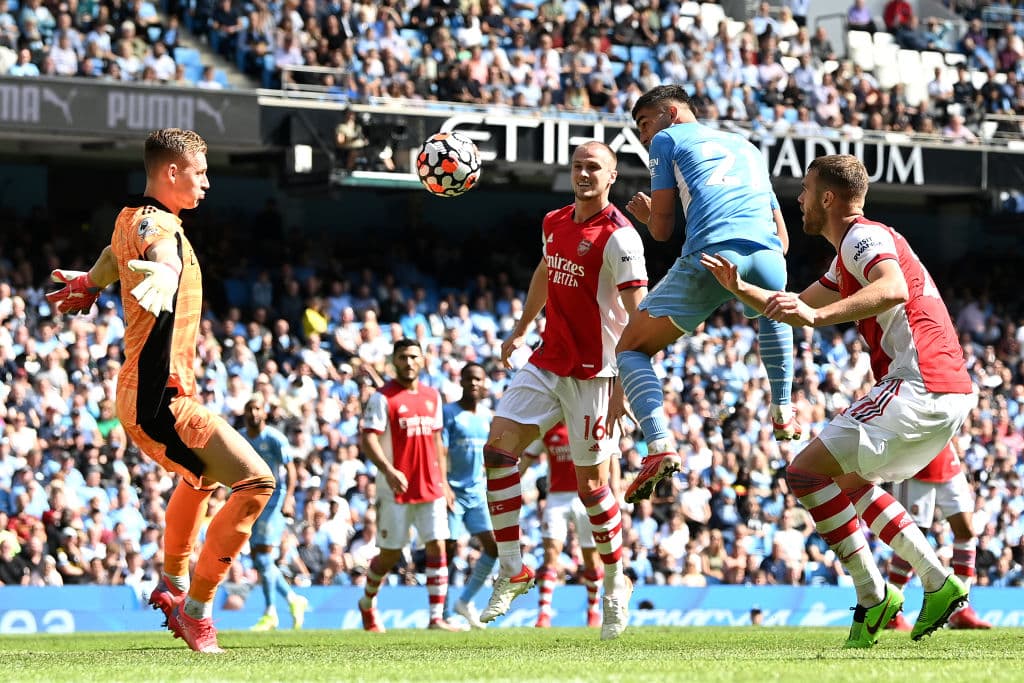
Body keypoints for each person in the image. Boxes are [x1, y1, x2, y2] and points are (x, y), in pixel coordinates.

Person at [700, 154, 976, 648]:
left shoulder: (862, 237)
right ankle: (936, 581)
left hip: (919, 384)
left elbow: (890, 289)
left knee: (803, 474)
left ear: (828, 198)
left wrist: (812, 319)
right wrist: (740, 288)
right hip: (943, 391)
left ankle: (874, 596)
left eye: (806, 190)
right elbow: (797, 304)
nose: (799, 199)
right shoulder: (847, 255)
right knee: (848, 481)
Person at [46, 128, 275, 653]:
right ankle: (195, 611)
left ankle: (173, 585)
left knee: (200, 481)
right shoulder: (158, 226)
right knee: (256, 483)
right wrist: (167, 274)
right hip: (159, 400)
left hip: (151, 393)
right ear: (172, 173)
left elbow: (113, 252)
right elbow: (162, 251)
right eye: (200, 173)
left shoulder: (130, 217)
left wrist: (90, 284)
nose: (208, 183)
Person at [479, 141, 648, 641]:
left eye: (594, 167)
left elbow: (639, 313)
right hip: (548, 359)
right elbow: (545, 271)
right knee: (497, 451)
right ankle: (513, 569)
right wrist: (520, 327)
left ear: (612, 175)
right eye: (577, 166)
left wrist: (625, 383)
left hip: (597, 371)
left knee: (593, 488)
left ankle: (617, 580)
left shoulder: (621, 238)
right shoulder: (554, 221)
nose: (584, 173)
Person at [615, 84, 797, 506]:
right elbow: (783, 239)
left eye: (645, 123)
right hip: (769, 256)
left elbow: (661, 231)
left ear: (672, 112)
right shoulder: (746, 146)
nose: (644, 136)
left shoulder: (668, 139)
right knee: (773, 309)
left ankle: (659, 445)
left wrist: (645, 217)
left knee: (630, 349)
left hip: (711, 255)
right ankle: (783, 409)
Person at [357, 338, 461, 632]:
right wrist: (389, 470)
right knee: (391, 552)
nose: (409, 362)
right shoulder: (383, 398)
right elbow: (367, 438)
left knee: (437, 544)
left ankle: (436, 617)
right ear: (394, 361)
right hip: (396, 489)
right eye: (403, 357)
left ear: (423, 359)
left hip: (430, 485)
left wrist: (445, 481)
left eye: (414, 356)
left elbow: (437, 441)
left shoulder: (433, 396)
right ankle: (367, 603)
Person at [887, 443, 992, 631]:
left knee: (966, 530)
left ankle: (960, 608)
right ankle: (890, 612)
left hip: (947, 459)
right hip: (917, 462)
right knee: (912, 538)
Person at [521, 423, 606, 629]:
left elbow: (610, 459)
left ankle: (593, 611)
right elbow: (526, 459)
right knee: (551, 554)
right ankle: (544, 614)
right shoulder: (546, 428)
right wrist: (506, 483)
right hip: (557, 498)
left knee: (591, 557)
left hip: (585, 497)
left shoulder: (587, 423)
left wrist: (610, 490)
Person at [241, 398, 310, 631]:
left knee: (264, 557)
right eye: (249, 409)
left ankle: (270, 612)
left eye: (257, 408)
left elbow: (290, 469)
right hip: (249, 500)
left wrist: (289, 497)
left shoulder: (274, 438)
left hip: (272, 500)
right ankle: (293, 599)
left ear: (265, 413)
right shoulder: (240, 438)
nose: (253, 413)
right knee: (259, 559)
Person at [441, 362, 499, 630]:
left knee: (493, 547)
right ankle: (439, 613)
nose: (474, 383)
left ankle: (464, 601)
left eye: (478, 379)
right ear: (461, 381)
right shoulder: (449, 413)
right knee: (447, 549)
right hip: (453, 490)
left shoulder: (486, 415)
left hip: (477, 492)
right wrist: (443, 485)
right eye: (469, 379)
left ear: (484, 383)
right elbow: (439, 451)